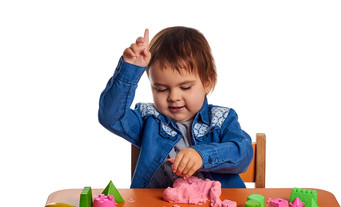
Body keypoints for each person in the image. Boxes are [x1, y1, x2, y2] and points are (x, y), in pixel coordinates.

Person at [98, 27, 253, 189]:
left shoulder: (222, 119)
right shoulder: (149, 119)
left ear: (207, 82)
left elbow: (243, 153)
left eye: (185, 87)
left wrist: (203, 155)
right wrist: (130, 70)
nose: (173, 97)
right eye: (161, 89)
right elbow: (110, 116)